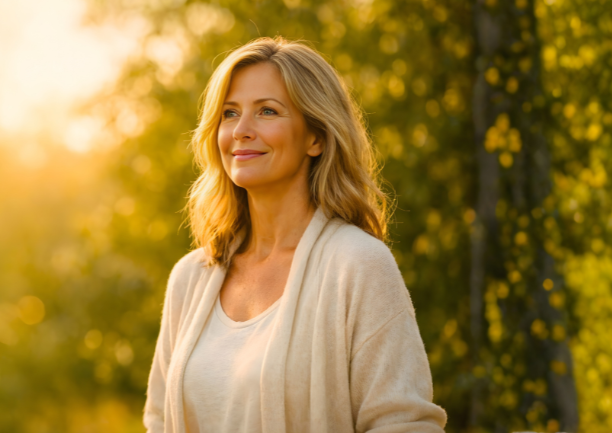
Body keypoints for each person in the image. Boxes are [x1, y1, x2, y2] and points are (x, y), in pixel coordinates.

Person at [143, 37, 447, 433]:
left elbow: (404, 425)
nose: (242, 131)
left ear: (316, 138)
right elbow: (160, 421)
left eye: (267, 111)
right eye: (230, 113)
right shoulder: (191, 277)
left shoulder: (358, 266)